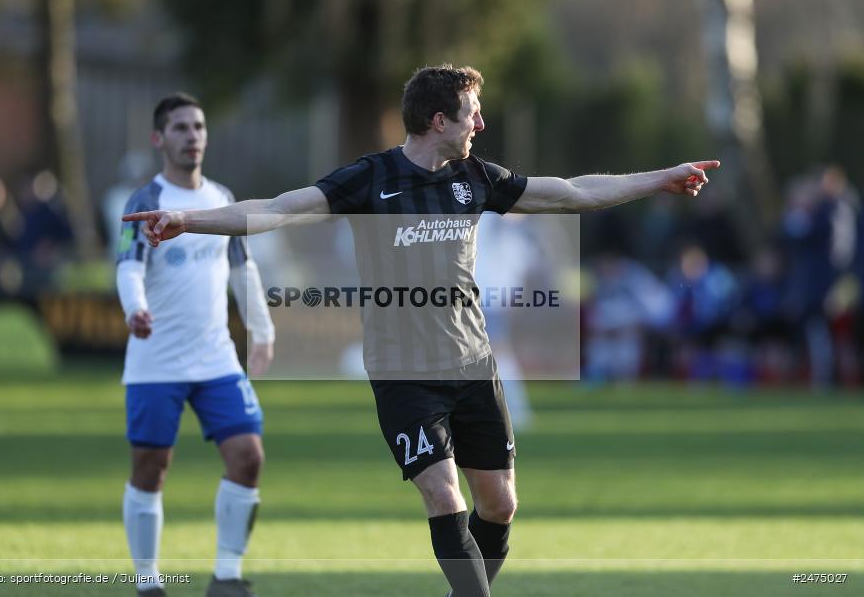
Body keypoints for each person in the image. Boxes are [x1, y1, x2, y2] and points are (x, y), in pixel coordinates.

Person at [124, 66, 718, 597]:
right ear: (439, 121)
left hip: (473, 363)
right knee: (443, 494)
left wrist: (660, 178)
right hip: (403, 371)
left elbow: (573, 192)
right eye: (472, 113)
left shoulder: (477, 178)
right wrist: (188, 219)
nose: (480, 123)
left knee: (500, 504)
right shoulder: (370, 178)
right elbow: (276, 209)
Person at [117, 93, 275, 597]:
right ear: (158, 138)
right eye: (181, 127)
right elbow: (128, 266)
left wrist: (263, 330)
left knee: (248, 456)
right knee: (150, 469)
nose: (193, 136)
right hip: (156, 359)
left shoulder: (222, 197)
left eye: (199, 127)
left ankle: (226, 577)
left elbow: (242, 269)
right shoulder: (144, 201)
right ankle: (148, 582)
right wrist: (135, 308)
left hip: (215, 358)